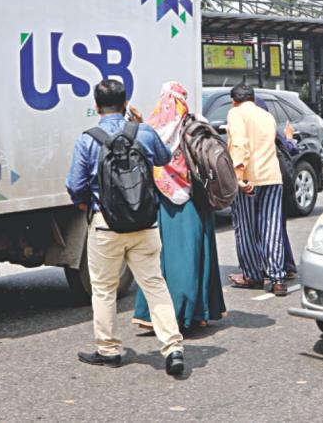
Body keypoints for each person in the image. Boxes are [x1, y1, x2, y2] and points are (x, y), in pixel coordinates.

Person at [66, 79, 185, 376]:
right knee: (154, 284)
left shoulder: (87, 139)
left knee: (104, 289)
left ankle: (108, 350)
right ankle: (173, 347)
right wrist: (141, 124)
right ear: (125, 102)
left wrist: (84, 203)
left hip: (106, 226)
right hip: (145, 223)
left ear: (96, 106)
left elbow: (74, 184)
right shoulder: (142, 132)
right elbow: (164, 158)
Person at [131, 81, 227, 331]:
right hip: (196, 199)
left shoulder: (155, 130)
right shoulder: (197, 125)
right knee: (195, 255)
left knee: (164, 259)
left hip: (166, 202)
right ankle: (198, 312)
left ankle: (164, 315)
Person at [225, 84, 287, 296]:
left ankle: (252, 274)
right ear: (253, 98)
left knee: (246, 228)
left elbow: (239, 145)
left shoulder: (235, 113)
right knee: (272, 228)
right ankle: (277, 278)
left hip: (249, 179)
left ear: (234, 100)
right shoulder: (266, 115)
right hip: (272, 176)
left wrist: (239, 177)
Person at [254, 96, 298, 279]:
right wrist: (289, 138)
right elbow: (290, 148)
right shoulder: (268, 123)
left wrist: (288, 139)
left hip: (259, 181)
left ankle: (276, 266)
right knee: (275, 224)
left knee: (267, 224)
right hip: (275, 181)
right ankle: (285, 265)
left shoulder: (251, 125)